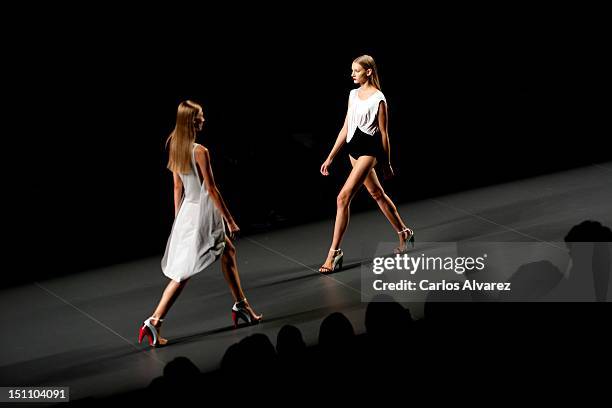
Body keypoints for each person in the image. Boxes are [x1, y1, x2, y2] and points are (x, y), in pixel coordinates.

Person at [138, 100, 262, 347]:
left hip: (189, 210)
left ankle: (241, 305)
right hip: (203, 212)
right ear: (191, 121)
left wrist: (178, 219)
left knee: (228, 251)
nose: (204, 119)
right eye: (201, 117)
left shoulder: (174, 144)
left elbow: (177, 186)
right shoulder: (200, 151)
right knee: (184, 272)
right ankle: (154, 320)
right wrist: (230, 220)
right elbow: (212, 190)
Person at [319, 55, 414, 274]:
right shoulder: (353, 94)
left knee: (342, 197)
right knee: (377, 194)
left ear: (368, 72)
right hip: (352, 150)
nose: (352, 74)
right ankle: (404, 232)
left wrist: (387, 162)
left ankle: (334, 253)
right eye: (352, 70)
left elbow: (383, 133)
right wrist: (331, 156)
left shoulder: (378, 98)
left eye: (356, 70)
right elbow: (346, 127)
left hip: (369, 152)